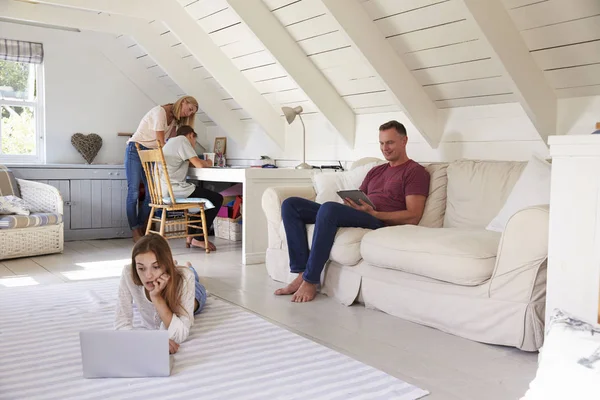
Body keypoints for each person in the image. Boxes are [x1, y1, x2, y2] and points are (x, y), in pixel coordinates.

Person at [275, 120, 431, 303]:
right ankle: (301, 273)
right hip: (362, 213)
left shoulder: (415, 172)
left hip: (379, 220)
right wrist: (350, 204)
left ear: (404, 141)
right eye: (381, 143)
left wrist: (375, 214)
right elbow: (361, 195)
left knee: (329, 209)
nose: (385, 148)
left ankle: (310, 280)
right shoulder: (376, 171)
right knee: (291, 204)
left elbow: (413, 215)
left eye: (390, 142)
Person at [114, 233, 207, 354]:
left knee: (193, 278)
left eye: (156, 266)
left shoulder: (184, 278)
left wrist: (156, 297)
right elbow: (121, 324)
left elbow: (180, 334)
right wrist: (149, 341)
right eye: (141, 268)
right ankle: (177, 265)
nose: (148, 275)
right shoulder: (128, 272)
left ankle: (189, 268)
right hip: (173, 271)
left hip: (195, 294)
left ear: (165, 266)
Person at [125, 96, 199, 243]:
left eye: (192, 113)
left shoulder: (175, 121)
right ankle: (135, 230)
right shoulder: (160, 112)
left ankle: (142, 227)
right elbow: (161, 142)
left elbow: (170, 144)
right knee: (133, 191)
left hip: (153, 153)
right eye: (189, 109)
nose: (189, 114)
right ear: (183, 101)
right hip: (136, 149)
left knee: (153, 195)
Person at [161, 125, 224, 252]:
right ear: (191, 135)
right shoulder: (182, 141)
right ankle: (199, 238)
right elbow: (199, 164)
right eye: (194, 141)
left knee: (199, 199)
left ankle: (191, 236)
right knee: (217, 198)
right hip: (174, 190)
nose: (194, 145)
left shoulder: (171, 142)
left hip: (163, 190)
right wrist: (210, 163)